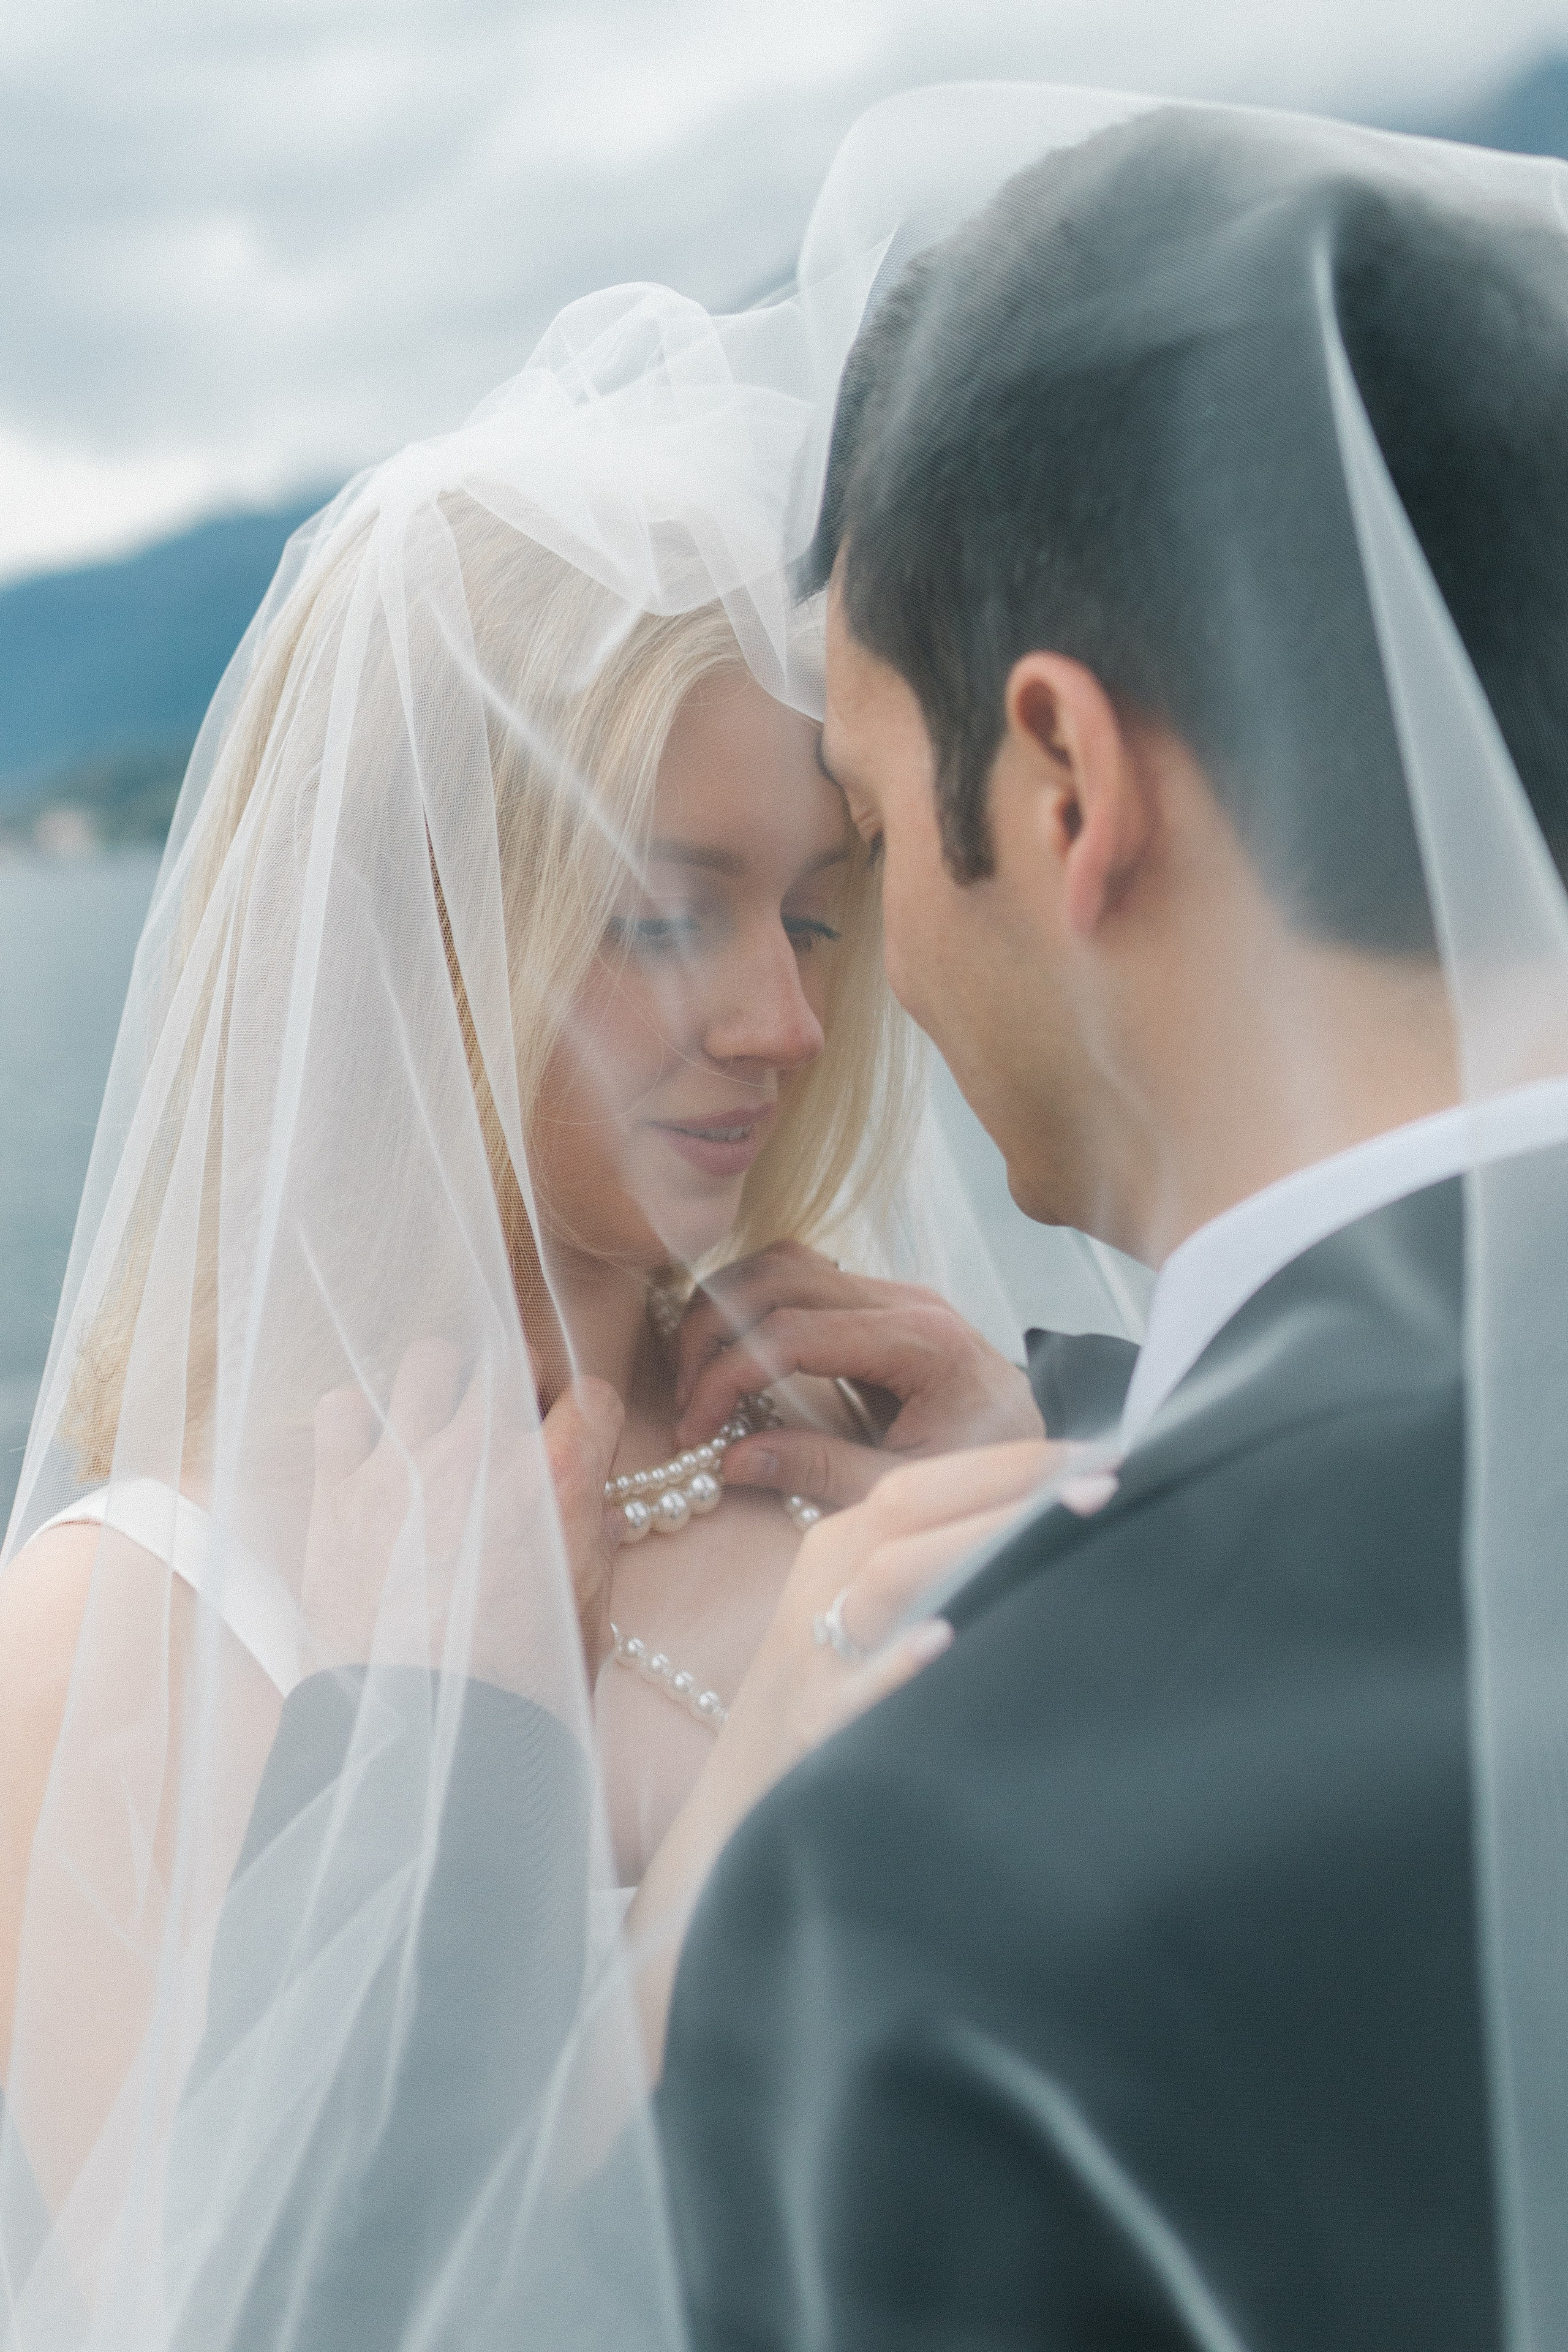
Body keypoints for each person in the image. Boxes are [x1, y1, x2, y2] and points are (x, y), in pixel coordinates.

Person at [206, 89, 1568, 2352]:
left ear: (1064, 782)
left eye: (857, 837)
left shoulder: (943, 1848)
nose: (812, 1017)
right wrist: (1111, 1461)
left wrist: (435, 1782)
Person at [0, 281, 1058, 2350]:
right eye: (660, 917)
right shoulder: (116, 1636)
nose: (786, 1022)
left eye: (815, 915)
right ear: (413, 925)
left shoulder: (883, 1454)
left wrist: (1058, 1547)